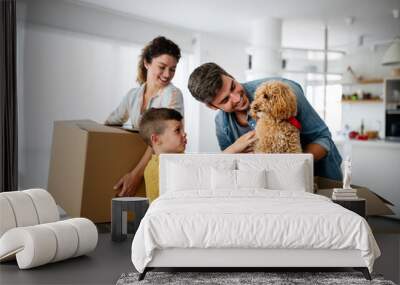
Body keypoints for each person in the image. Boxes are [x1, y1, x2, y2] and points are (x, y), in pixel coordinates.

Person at [188, 62, 342, 180]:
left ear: (231, 76)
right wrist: (235, 149)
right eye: (225, 99)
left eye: (233, 86)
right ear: (212, 106)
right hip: (271, 188)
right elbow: (230, 168)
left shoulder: (283, 92)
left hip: (320, 176)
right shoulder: (222, 125)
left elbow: (323, 139)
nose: (237, 97)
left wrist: (291, 163)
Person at [105, 36, 184, 197]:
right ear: (147, 63)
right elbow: (110, 122)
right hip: (142, 164)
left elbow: (158, 139)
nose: (167, 74)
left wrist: (136, 175)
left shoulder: (172, 94)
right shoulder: (133, 96)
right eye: (162, 67)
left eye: (173, 69)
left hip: (164, 166)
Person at [139, 108, 256, 203]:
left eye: (183, 129)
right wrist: (233, 148)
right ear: (156, 139)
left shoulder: (180, 160)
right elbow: (200, 176)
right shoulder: (158, 169)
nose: (184, 133)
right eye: (177, 130)